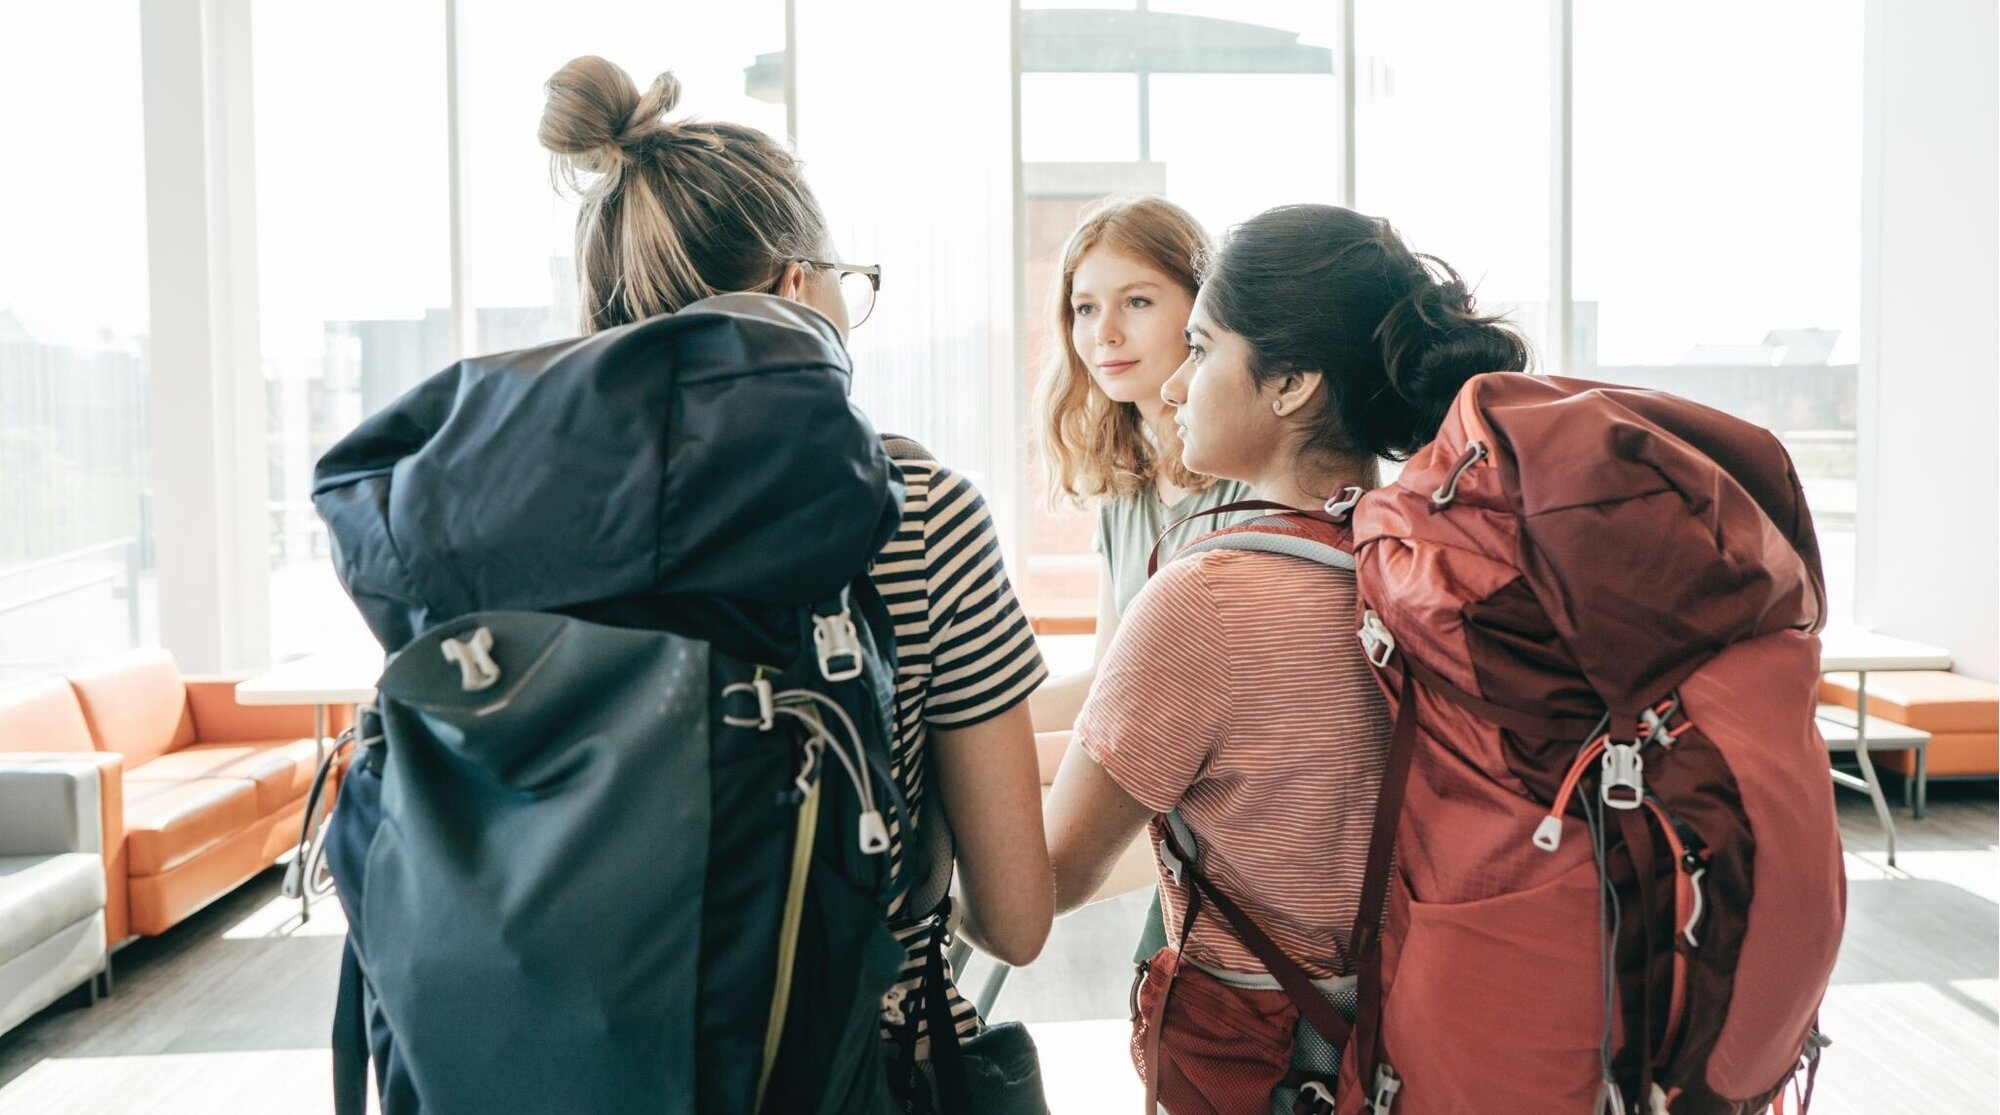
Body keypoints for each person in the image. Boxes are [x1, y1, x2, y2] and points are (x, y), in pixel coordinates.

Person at [538, 53, 1053, 1062]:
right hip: (849, 1065)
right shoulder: (917, 509)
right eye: (845, 283)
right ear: (794, 286)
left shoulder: (520, 517)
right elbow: (1017, 917)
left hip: (573, 1062)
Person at [1043, 203, 1528, 1111]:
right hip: (1414, 1040)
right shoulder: (1430, 566)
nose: (1177, 386)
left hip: (1251, 1056)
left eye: (1201, 347)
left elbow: (1052, 879)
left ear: (1292, 382)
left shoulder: (1206, 600)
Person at [1027, 196, 1253, 764]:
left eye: (1136, 301)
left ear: (1203, 312)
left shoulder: (1253, 481)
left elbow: (1190, 721)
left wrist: (986, 759)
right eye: (1084, 308)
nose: (1104, 332)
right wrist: (951, 722)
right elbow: (1108, 681)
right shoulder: (1125, 493)